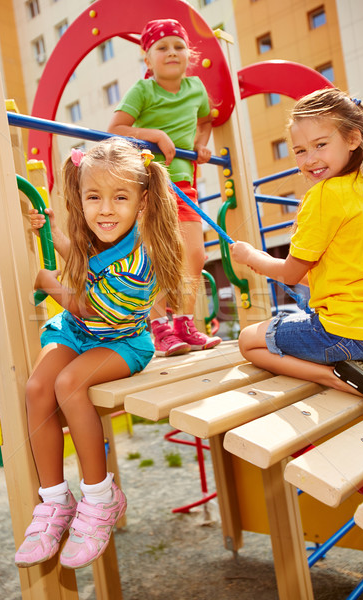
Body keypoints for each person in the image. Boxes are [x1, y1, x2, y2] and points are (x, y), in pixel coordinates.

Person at [15, 137, 185, 569]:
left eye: (119, 197)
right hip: (79, 333)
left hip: (122, 342)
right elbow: (82, 265)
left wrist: (44, 279)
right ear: (80, 198)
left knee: (69, 385)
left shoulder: (138, 262)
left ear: (142, 202)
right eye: (94, 197)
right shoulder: (95, 236)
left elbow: (88, 305)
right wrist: (50, 235)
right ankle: (53, 502)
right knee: (38, 388)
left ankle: (100, 497)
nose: (105, 209)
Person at [230, 88, 363, 397]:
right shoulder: (360, 186)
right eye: (300, 150)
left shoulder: (323, 196)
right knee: (297, 312)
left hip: (342, 333)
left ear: (352, 139)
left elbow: (291, 275)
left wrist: (252, 256)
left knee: (247, 340)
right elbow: (314, 274)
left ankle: (337, 377)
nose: (311, 159)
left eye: (320, 145)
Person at [107, 18, 221, 357]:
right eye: (162, 47)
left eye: (178, 46)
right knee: (154, 255)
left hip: (183, 181)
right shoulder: (144, 91)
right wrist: (155, 136)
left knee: (195, 254)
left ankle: (185, 323)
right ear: (148, 58)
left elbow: (206, 119)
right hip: (151, 180)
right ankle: (160, 329)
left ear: (189, 54)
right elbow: (116, 126)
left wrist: (201, 144)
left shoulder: (196, 89)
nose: (171, 52)